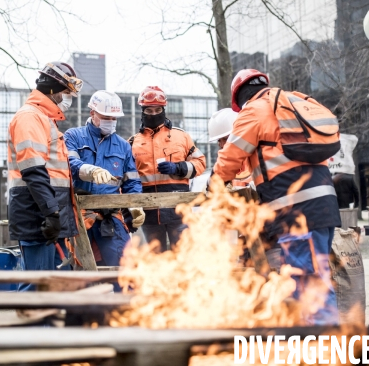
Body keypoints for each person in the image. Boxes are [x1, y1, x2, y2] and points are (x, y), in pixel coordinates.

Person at [212, 69, 340, 325]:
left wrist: (214, 182)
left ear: (239, 98)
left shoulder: (255, 110)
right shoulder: (294, 104)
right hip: (323, 205)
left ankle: (325, 352)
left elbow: (231, 156)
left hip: (297, 212)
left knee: (308, 284)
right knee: (316, 278)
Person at [7, 62, 82, 290]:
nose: (68, 98)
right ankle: (32, 326)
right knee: (37, 287)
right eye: (66, 92)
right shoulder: (30, 117)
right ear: (53, 89)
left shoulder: (43, 119)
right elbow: (33, 170)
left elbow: (53, 172)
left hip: (48, 214)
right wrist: (51, 212)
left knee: (54, 286)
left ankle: (49, 325)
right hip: (38, 215)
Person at [65, 90, 144, 267]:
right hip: (80, 216)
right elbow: (69, 163)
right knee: (80, 270)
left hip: (110, 217)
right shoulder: (74, 137)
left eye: (114, 118)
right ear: (92, 113)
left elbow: (131, 181)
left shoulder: (122, 146)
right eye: (106, 116)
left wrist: (136, 205)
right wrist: (88, 170)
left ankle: (122, 296)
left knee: (122, 269)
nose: (111, 121)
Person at [130, 86, 206, 251]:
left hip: (179, 211)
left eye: (158, 109)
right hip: (150, 213)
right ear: (142, 111)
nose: (154, 114)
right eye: (149, 110)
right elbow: (128, 179)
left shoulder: (182, 136)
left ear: (164, 109)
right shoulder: (132, 143)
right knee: (157, 261)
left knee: (183, 257)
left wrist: (178, 168)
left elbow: (200, 163)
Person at [208, 108, 253, 189]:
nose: (221, 145)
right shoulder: (222, 166)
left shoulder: (255, 160)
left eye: (225, 139)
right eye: (219, 140)